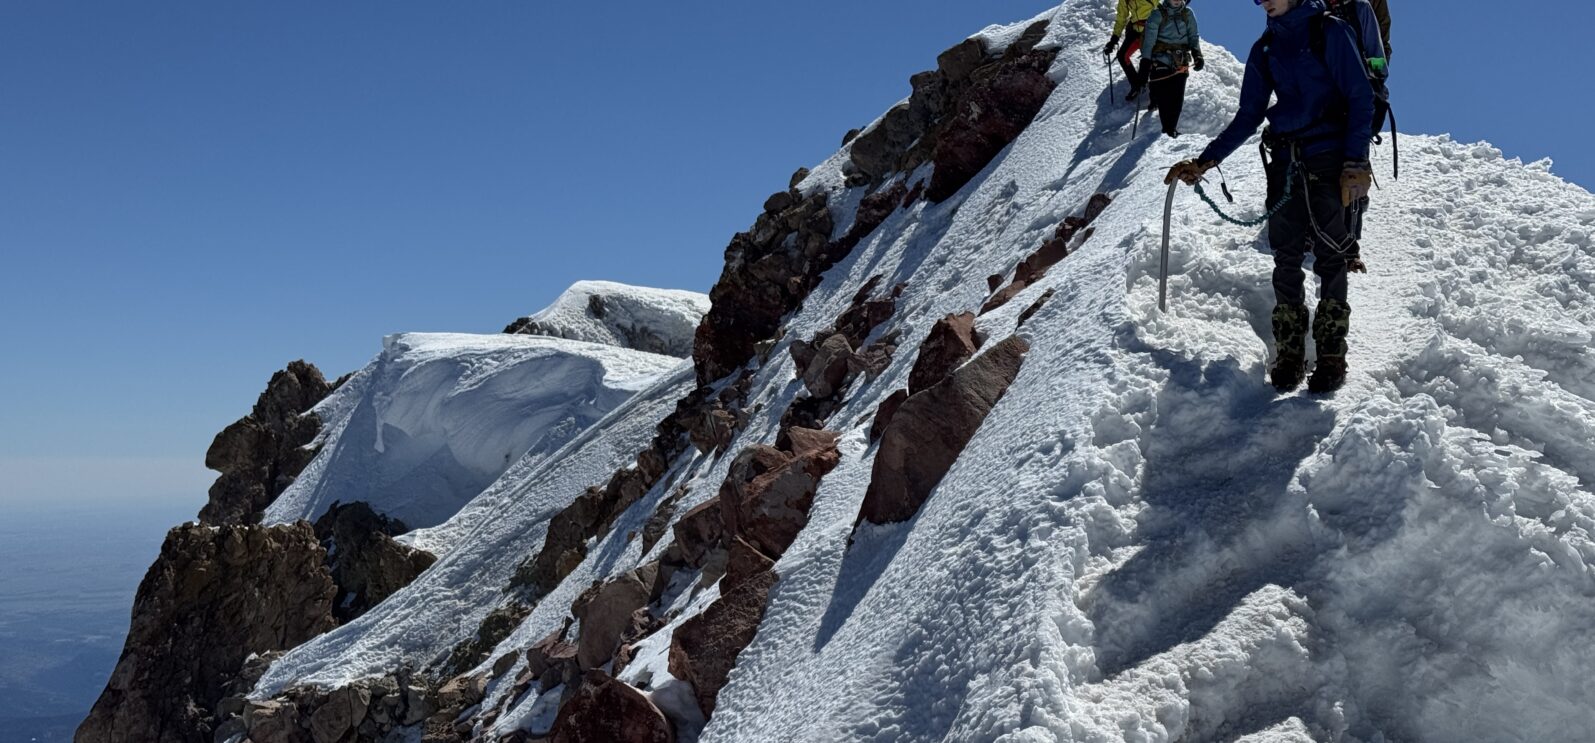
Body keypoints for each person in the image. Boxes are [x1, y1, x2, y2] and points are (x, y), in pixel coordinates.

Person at [1164, 0, 1374, 393]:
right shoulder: (1265, 48)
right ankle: (1290, 353)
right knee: (1286, 255)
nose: (1263, 1)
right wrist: (1206, 160)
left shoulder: (1330, 32)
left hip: (1329, 158)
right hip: (1285, 162)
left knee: (1331, 255)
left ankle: (1331, 355)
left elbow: (1361, 97)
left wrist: (1356, 160)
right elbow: (1249, 114)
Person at [1139, 0, 1205, 138]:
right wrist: (1145, 62)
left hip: (1181, 62)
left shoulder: (1188, 14)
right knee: (1165, 97)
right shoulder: (1157, 15)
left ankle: (1171, 129)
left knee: (1177, 98)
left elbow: (1193, 36)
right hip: (1160, 60)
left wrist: (1197, 54)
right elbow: (1149, 41)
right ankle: (1168, 128)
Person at [1104, 0, 1160, 100]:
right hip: (1135, 31)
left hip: (1151, 30)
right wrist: (1114, 40)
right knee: (1122, 56)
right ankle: (1136, 85)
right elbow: (1121, 18)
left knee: (1150, 59)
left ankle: (1154, 92)